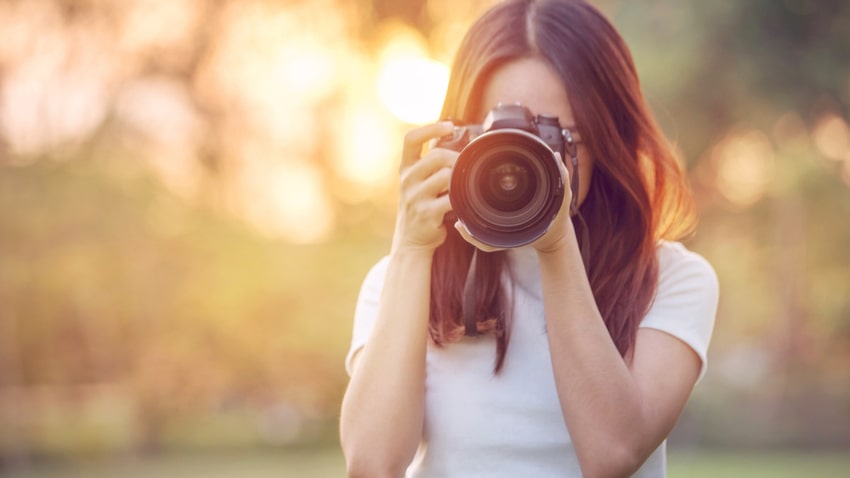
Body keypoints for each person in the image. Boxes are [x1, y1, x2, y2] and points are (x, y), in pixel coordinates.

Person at [340, 0, 719, 476]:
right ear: (457, 138)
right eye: (497, 139)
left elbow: (611, 454)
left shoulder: (672, 280)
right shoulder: (402, 280)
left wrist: (555, 243)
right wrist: (412, 251)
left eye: (552, 138)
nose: (516, 165)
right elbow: (371, 465)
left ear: (606, 138)